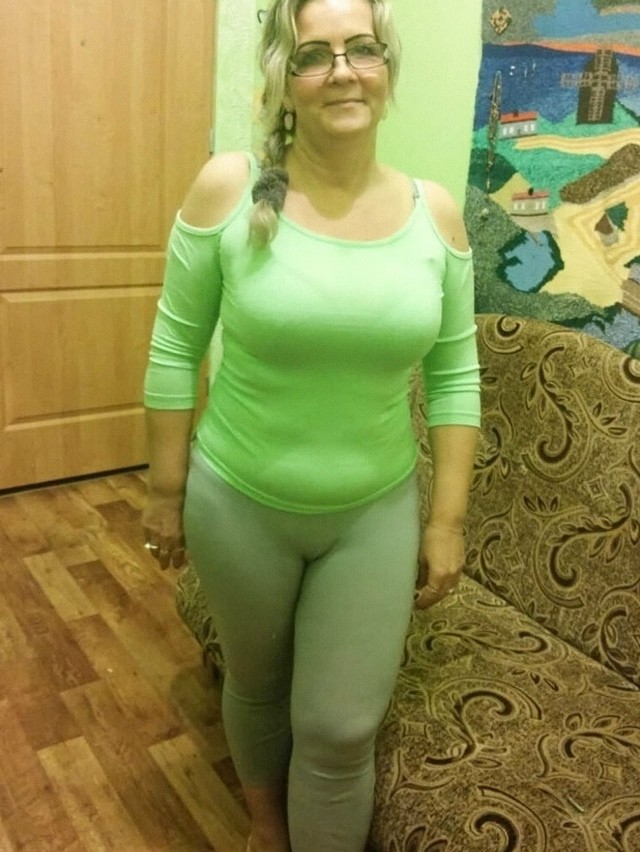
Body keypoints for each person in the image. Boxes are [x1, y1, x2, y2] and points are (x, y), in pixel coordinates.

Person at [141, 0, 481, 849]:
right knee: (258, 684)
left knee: (339, 727)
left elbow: (455, 376)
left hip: (373, 514)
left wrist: (446, 521)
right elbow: (176, 347)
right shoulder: (227, 188)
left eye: (362, 49)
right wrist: (164, 491)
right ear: (282, 79)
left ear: (387, 67)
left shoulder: (435, 213)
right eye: (312, 54)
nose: (341, 71)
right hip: (238, 503)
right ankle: (267, 828)